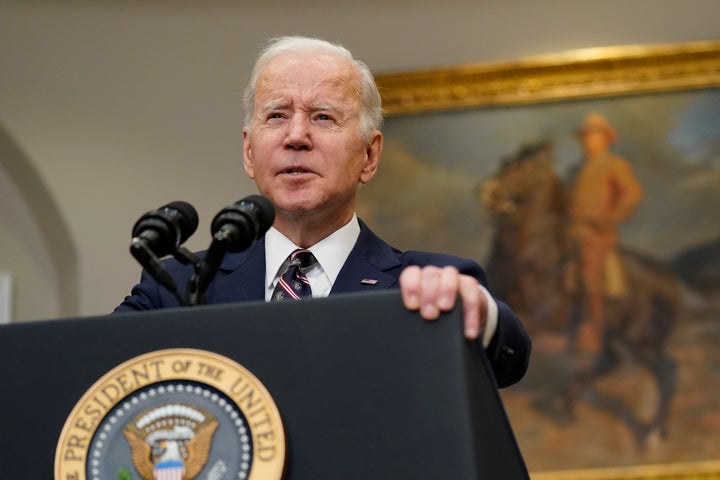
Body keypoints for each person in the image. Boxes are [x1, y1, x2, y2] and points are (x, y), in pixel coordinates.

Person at [115, 35, 530, 388]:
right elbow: (88, 366)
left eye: (323, 117)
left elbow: (506, 359)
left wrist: (474, 309)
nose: (296, 136)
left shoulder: (427, 286)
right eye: (276, 116)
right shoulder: (175, 287)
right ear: (248, 151)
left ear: (369, 155)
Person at [566, 112, 644, 353]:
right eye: (587, 136)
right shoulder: (577, 169)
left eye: (595, 135)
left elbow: (632, 194)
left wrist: (609, 219)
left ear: (606, 139)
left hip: (597, 234)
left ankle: (593, 331)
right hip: (572, 232)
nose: (590, 140)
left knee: (591, 274)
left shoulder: (614, 165)